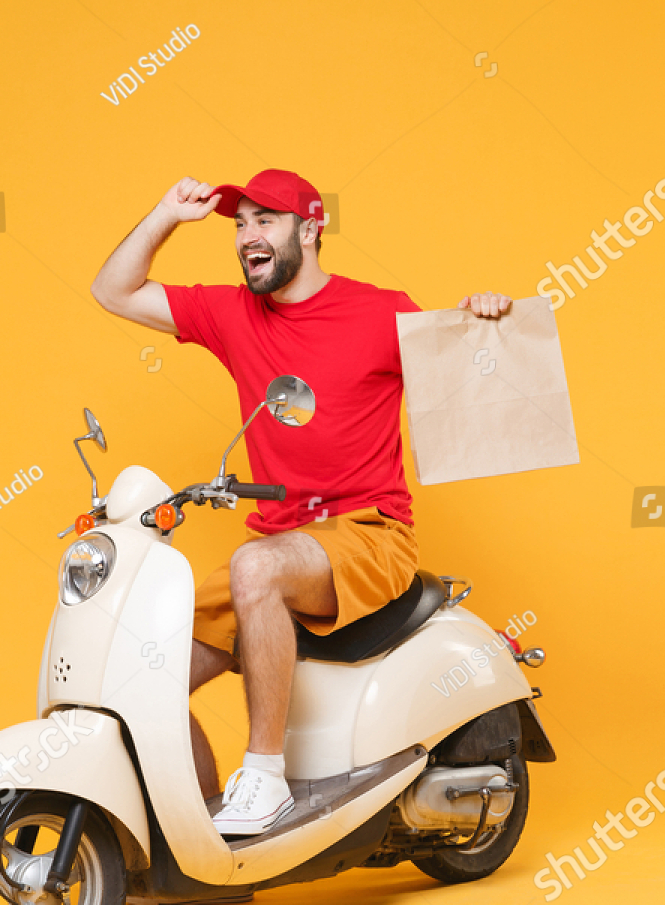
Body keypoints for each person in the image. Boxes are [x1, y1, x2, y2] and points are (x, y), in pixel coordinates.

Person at [91, 169, 511, 837]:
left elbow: (475, 392)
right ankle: (196, 830)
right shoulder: (233, 314)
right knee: (132, 669)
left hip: (371, 534)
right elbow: (112, 289)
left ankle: (264, 776)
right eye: (239, 224)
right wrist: (168, 213)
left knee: (255, 565)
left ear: (310, 231)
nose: (247, 236)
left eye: (266, 220)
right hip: (281, 540)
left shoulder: (382, 311)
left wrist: (483, 321)